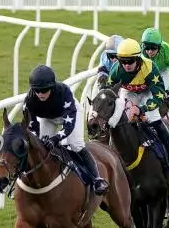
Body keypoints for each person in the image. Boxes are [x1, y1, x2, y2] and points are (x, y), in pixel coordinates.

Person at [21, 64, 107, 194]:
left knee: (76, 144)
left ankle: (97, 179)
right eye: (37, 91)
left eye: (44, 90)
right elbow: (32, 127)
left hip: (70, 114)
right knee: (42, 147)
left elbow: (69, 125)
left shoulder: (64, 92)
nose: (40, 94)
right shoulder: (29, 101)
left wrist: (55, 139)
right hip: (47, 117)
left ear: (51, 87)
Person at [108, 39, 169, 174]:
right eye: (123, 61)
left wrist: (142, 109)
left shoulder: (150, 67)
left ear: (138, 58)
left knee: (154, 117)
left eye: (130, 61)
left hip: (148, 92)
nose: (126, 65)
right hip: (129, 92)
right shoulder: (116, 70)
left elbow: (159, 95)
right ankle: (109, 151)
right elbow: (109, 90)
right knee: (116, 117)